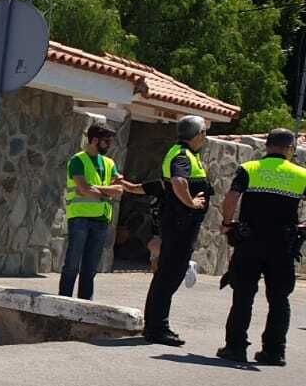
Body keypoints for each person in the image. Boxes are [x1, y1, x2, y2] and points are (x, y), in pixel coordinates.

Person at [215, 128, 305, 366]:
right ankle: (274, 352)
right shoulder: (301, 174)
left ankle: (235, 348)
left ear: (267, 146)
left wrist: (227, 223)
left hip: (250, 242)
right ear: (290, 149)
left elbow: (231, 198)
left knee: (243, 296)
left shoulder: (250, 168)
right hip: (283, 245)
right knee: (279, 299)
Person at [143, 115, 213, 346]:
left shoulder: (187, 154)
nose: (205, 136)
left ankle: (156, 326)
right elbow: (178, 181)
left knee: (168, 275)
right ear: (199, 134)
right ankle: (157, 328)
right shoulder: (182, 155)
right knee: (168, 276)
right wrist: (191, 203)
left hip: (180, 224)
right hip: (179, 224)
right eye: (204, 132)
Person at [60, 123, 143, 299]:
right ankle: (63, 299)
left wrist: (98, 190)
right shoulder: (77, 160)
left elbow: (118, 189)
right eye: (106, 141)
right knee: (72, 264)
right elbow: (83, 189)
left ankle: (85, 303)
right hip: (80, 218)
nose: (109, 144)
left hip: (101, 220)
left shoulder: (109, 163)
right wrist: (106, 191)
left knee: (90, 268)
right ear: (94, 140)